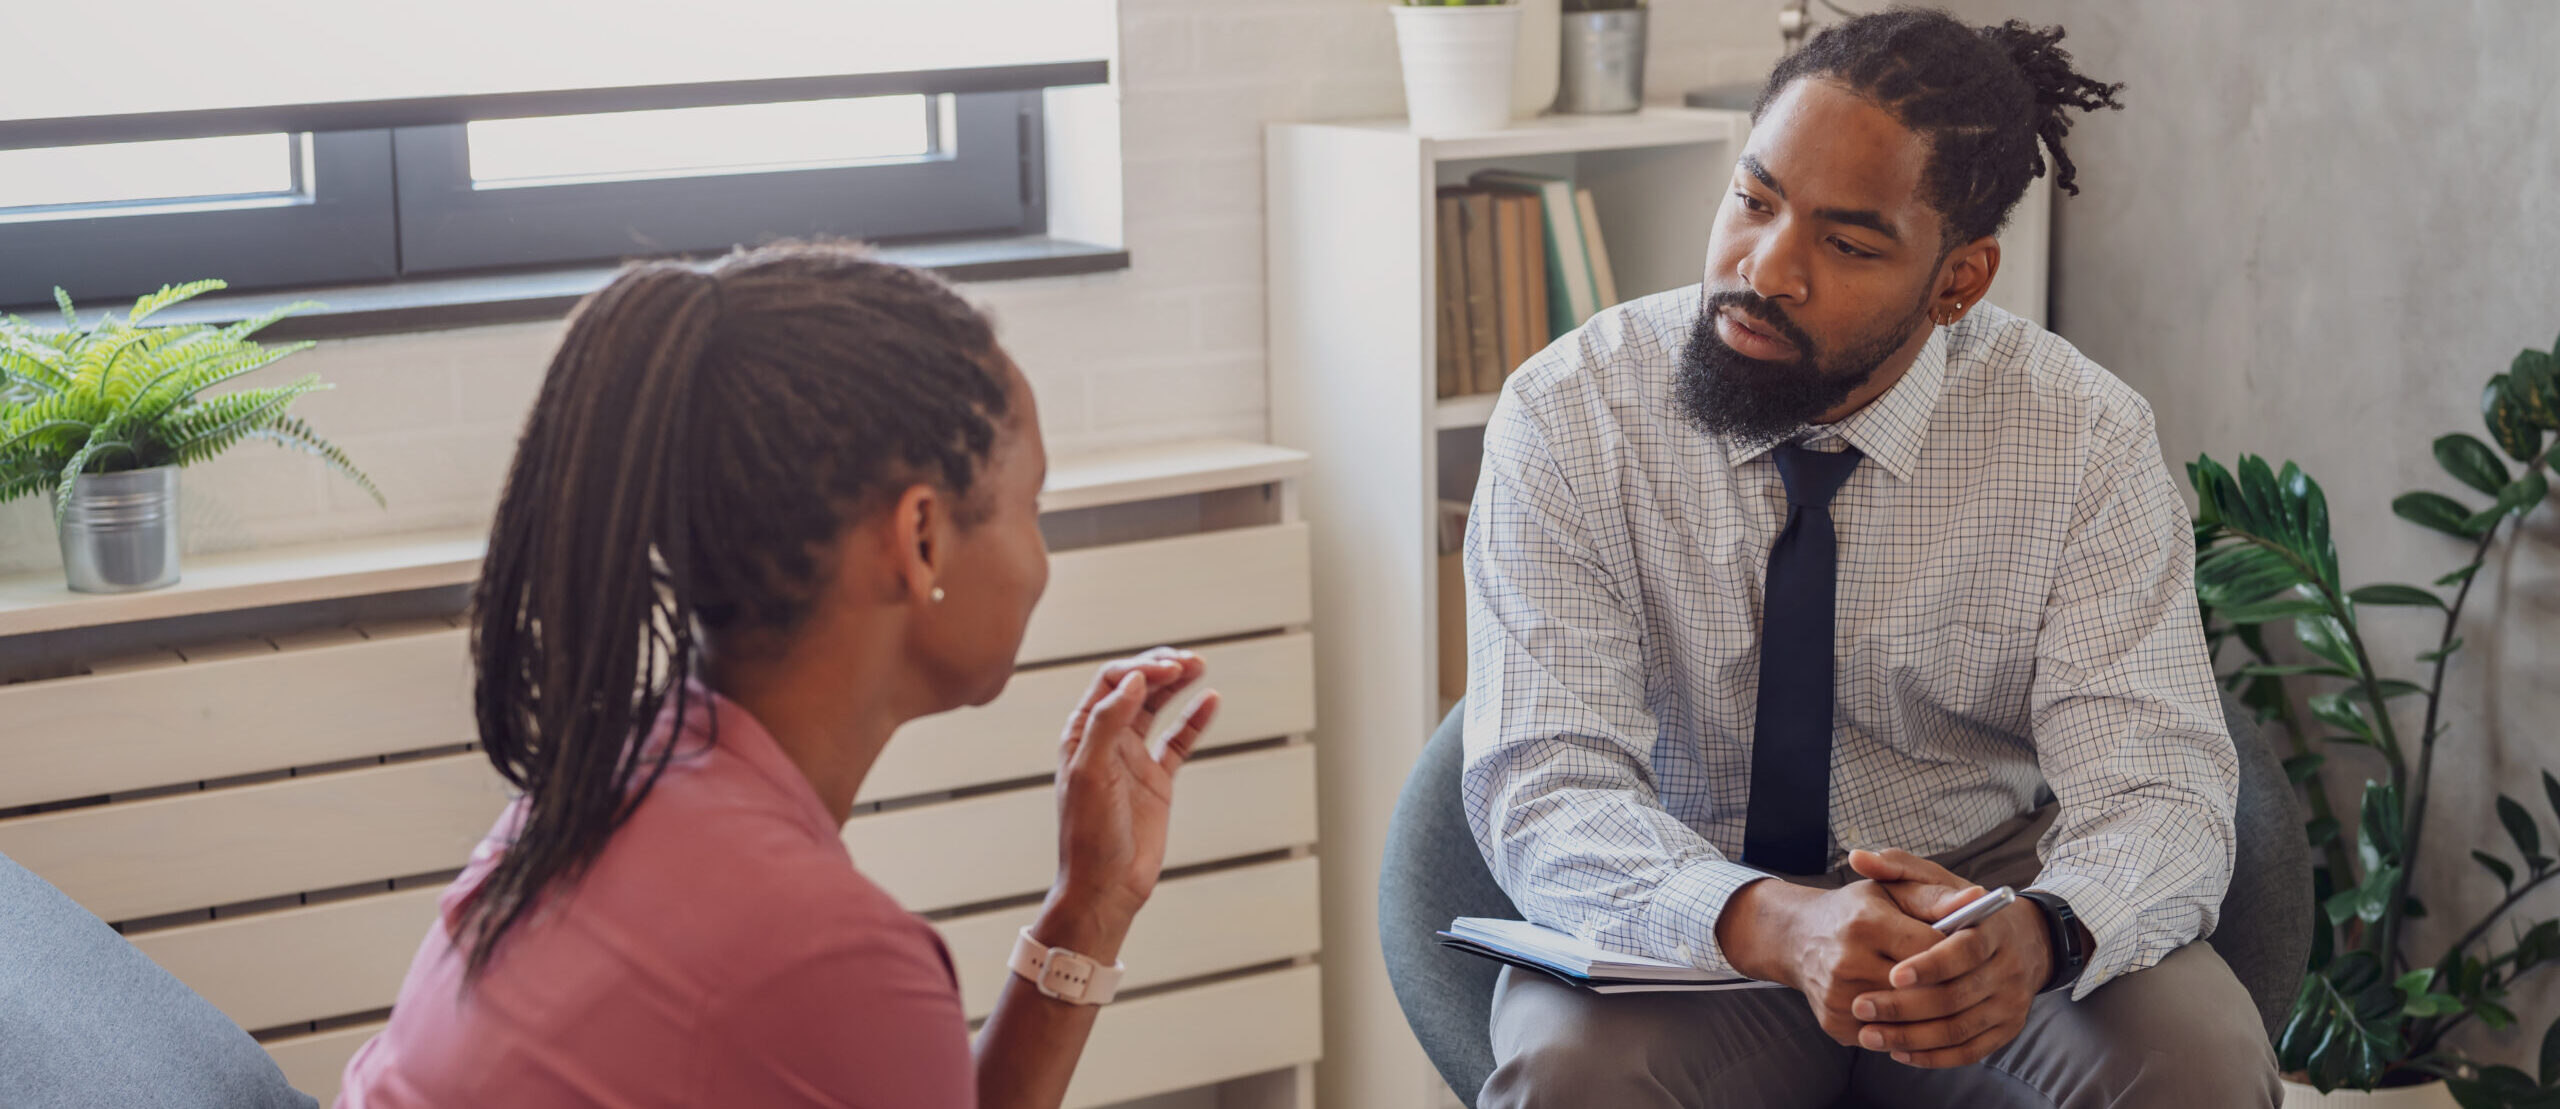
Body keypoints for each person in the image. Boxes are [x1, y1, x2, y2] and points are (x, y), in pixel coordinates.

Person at [1461, 9, 2281, 1106]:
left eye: (1846, 243)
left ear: (1960, 280)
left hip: (1976, 903)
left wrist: (2039, 930)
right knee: (1573, 1072)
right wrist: (1773, 920)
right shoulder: (1570, 413)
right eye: (1753, 200)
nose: (1766, 268)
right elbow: (1544, 781)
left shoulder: (2082, 437)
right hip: (1685, 905)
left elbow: (2157, 782)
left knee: (2191, 1058)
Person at [337, 243, 1220, 1108]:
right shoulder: (825, 955)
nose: (1040, 556)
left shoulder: (625, 772)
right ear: (921, 539)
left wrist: (1090, 906)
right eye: (1032, 505)